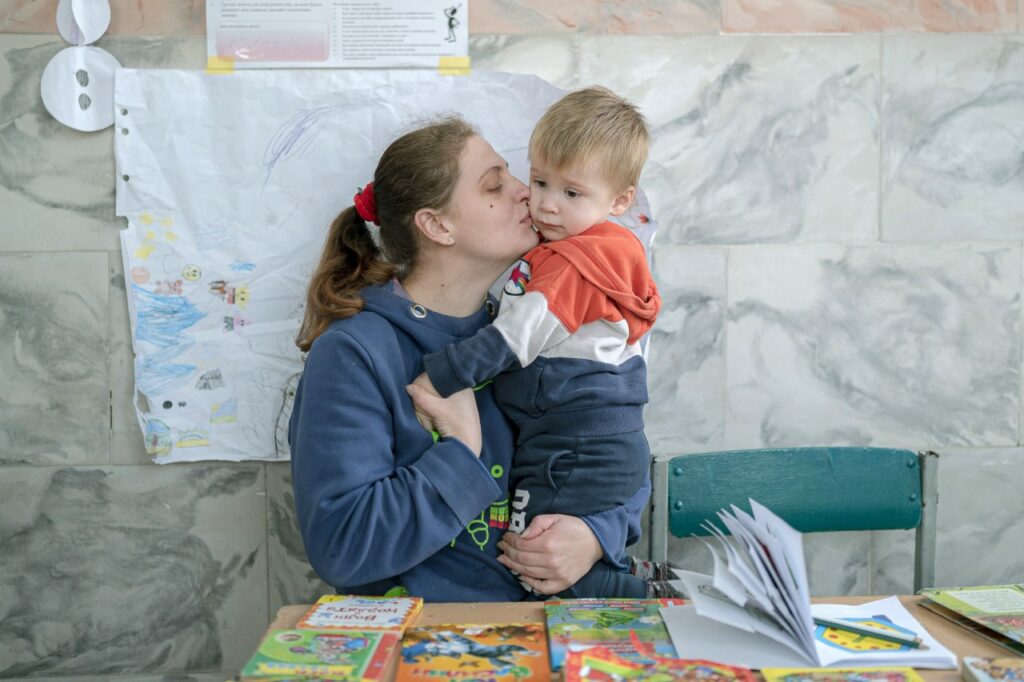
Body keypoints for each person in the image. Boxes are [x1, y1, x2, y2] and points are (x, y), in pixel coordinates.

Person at [288, 116, 656, 602]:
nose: (526, 192)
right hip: (429, 642)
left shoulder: (527, 329)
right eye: (495, 185)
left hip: (543, 631)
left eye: (513, 175)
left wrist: (592, 536)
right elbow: (344, 547)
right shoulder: (354, 353)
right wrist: (461, 449)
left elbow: (610, 442)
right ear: (438, 226)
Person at [413, 87, 675, 599]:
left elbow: (515, 338)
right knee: (540, 556)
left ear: (620, 201)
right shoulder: (594, 251)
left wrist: (441, 375)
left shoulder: (578, 264)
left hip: (575, 444)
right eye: (539, 181)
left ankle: (645, 597)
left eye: (572, 194)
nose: (546, 204)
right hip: (582, 440)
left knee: (535, 560)